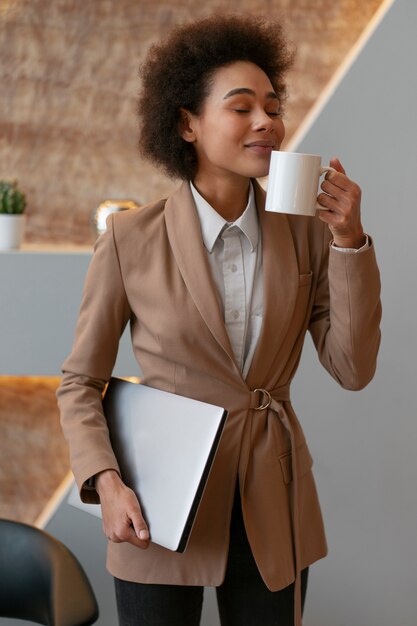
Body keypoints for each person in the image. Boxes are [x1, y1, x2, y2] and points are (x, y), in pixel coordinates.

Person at [57, 14, 381, 626]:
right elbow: (80, 382)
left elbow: (353, 367)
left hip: (273, 498)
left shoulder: (309, 233)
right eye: (241, 107)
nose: (267, 121)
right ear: (186, 123)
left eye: (274, 106)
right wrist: (106, 483)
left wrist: (348, 242)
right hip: (157, 501)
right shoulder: (131, 237)